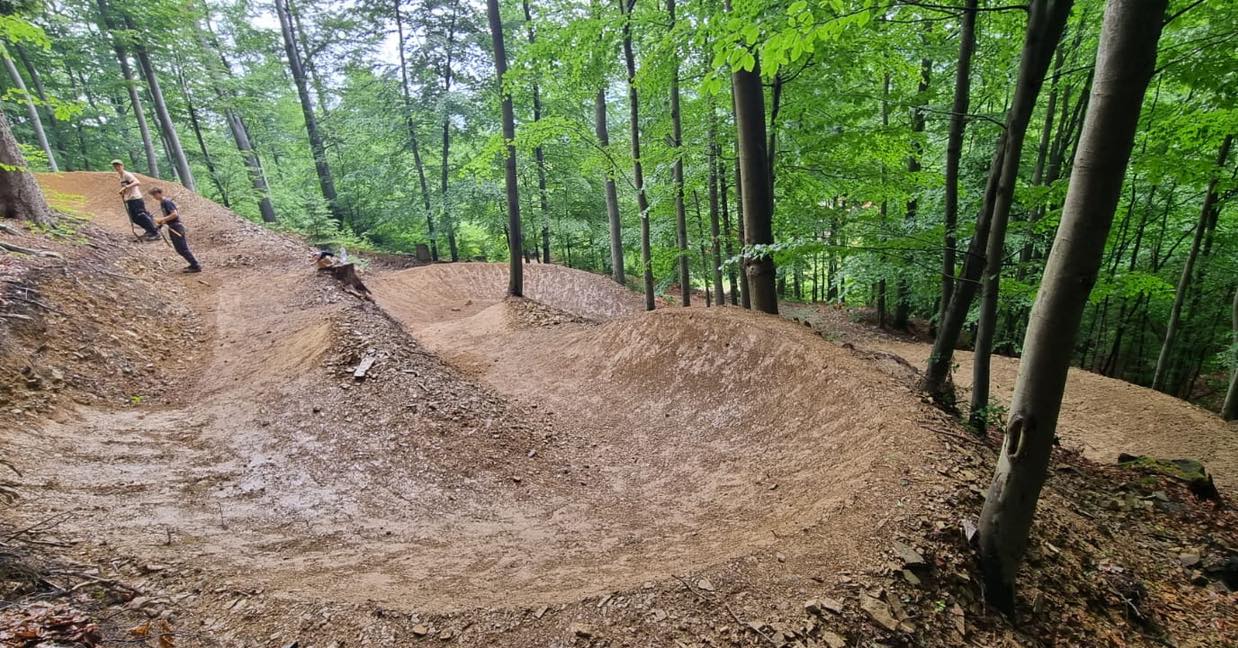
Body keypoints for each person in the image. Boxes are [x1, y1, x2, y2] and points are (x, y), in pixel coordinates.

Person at [149, 187, 202, 273]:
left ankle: (196, 265)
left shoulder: (167, 202)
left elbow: (174, 214)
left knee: (183, 248)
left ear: (159, 193)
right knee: (179, 249)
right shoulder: (162, 203)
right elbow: (169, 217)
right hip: (172, 227)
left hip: (176, 227)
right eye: (153, 195)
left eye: (154, 194)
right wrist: (162, 223)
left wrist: (162, 219)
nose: (154, 197)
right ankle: (193, 264)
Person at [112, 159, 160, 241]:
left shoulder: (127, 174)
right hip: (130, 199)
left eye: (119, 165)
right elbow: (127, 186)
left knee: (141, 215)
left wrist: (125, 187)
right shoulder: (121, 176)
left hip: (136, 198)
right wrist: (124, 192)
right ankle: (149, 230)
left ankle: (155, 233)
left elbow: (137, 182)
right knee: (134, 218)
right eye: (115, 166)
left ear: (122, 166)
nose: (117, 167)